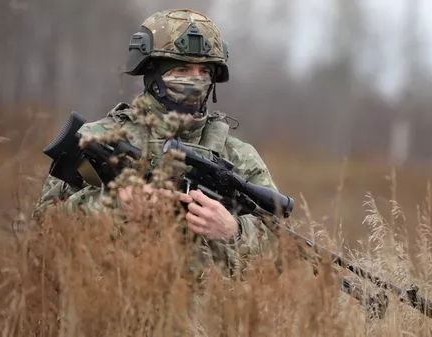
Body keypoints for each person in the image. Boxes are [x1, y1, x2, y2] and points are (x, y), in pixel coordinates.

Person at [33, 8, 280, 270]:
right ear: (152, 74)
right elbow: (42, 234)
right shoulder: (99, 139)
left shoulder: (237, 156)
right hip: (111, 305)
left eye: (204, 71)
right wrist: (111, 207)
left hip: (210, 308)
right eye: (182, 69)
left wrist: (235, 231)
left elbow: (281, 250)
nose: (195, 81)